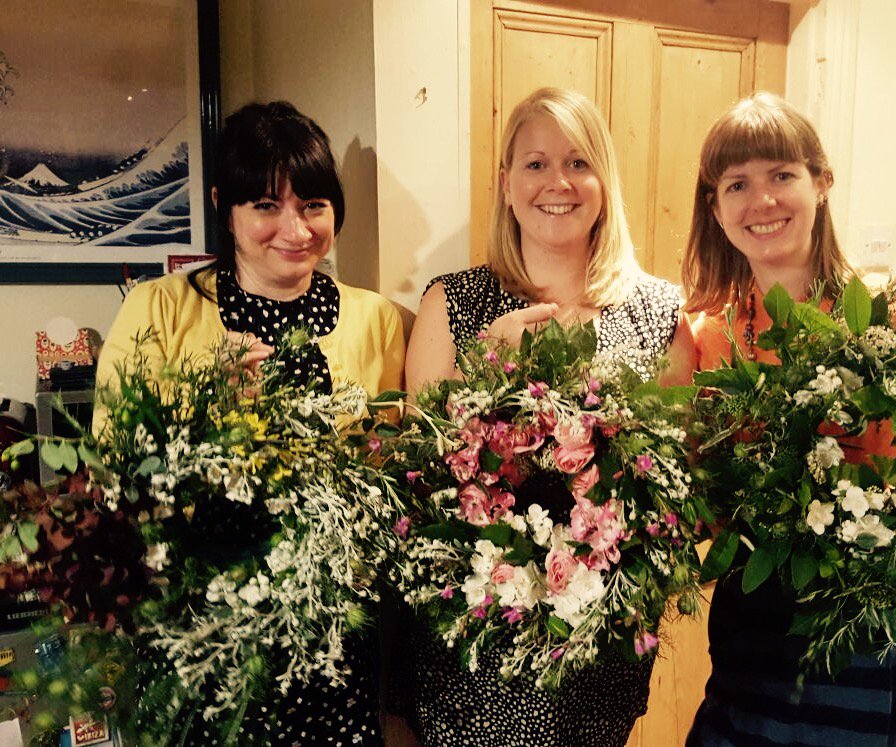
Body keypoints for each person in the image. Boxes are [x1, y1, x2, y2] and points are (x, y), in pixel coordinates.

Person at [94, 101, 405, 745]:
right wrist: (204, 406)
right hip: (203, 624)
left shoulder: (376, 319)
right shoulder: (162, 307)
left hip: (329, 629)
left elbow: (389, 464)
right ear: (224, 206)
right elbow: (114, 461)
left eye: (313, 204)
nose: (295, 229)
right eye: (266, 205)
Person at [677, 92, 896, 746]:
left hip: (886, 650)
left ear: (821, 182)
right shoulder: (705, 338)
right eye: (737, 183)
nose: (762, 201)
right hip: (757, 650)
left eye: (781, 175)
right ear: (714, 206)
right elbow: (703, 506)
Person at [396, 87, 690, 746]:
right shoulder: (455, 302)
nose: (557, 182)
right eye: (534, 164)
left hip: (596, 646)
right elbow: (416, 471)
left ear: (603, 182)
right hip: (473, 650)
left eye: (578, 162)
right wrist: (483, 374)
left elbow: (673, 483)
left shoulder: (658, 313)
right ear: (505, 183)